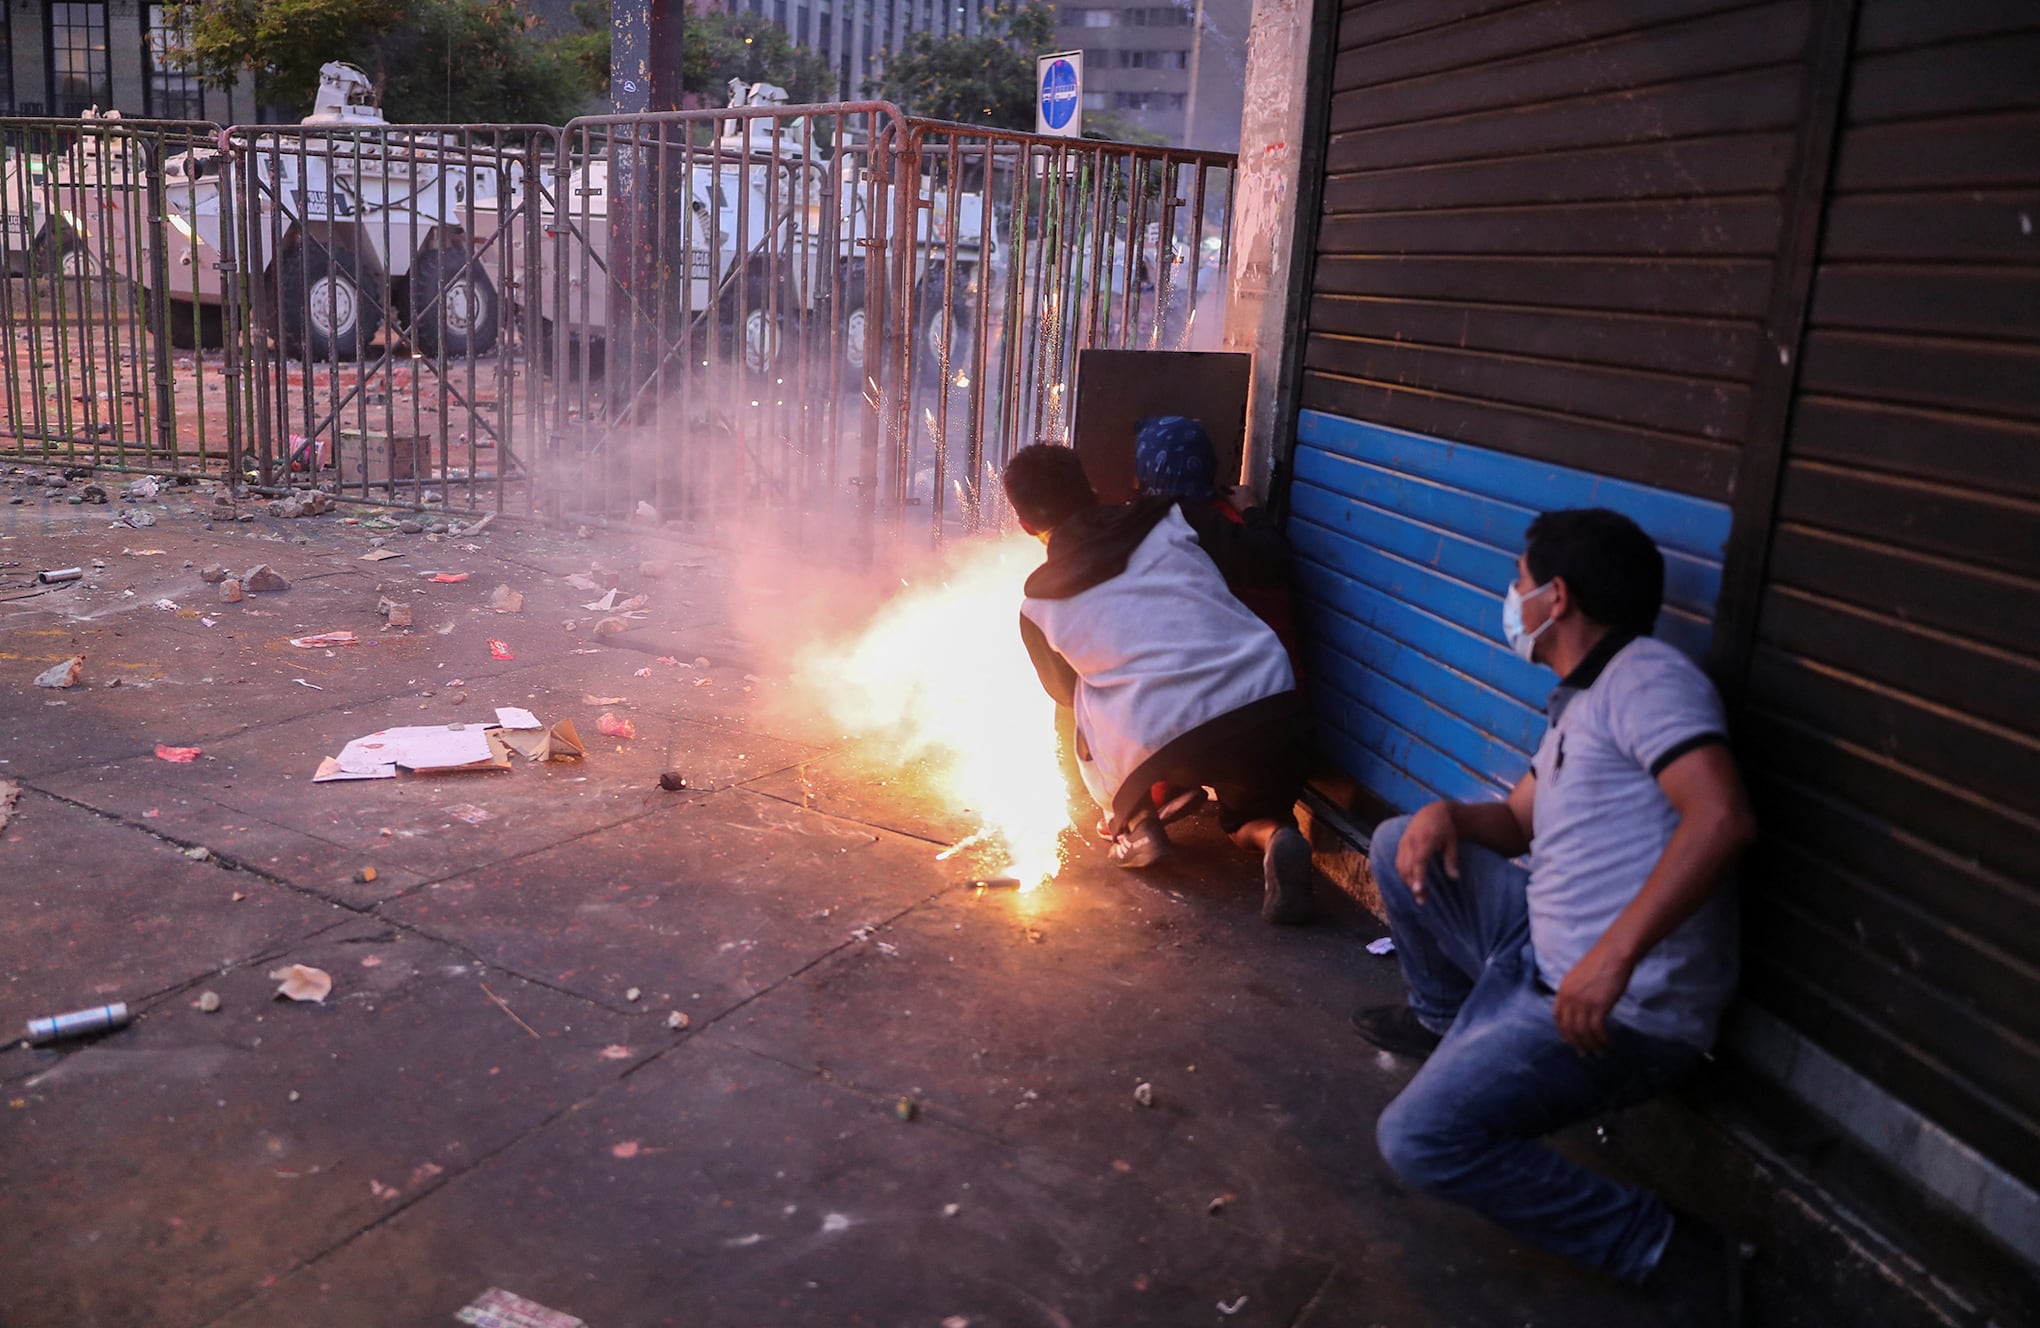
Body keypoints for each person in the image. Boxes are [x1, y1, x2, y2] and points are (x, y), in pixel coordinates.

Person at [1352, 507, 1757, 1324]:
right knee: (1399, 840)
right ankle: (1442, 1020)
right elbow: (1518, 824)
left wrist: (1611, 960)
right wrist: (1448, 815)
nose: (1512, 598)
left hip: (1624, 1010)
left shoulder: (1648, 679)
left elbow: (1722, 818)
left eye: (1519, 583)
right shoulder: (1582, 702)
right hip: (1533, 946)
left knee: (1419, 1140)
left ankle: (1666, 1246)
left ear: (1556, 597)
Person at [1003, 442, 1315, 924]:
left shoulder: (1037, 608)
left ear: (1025, 525)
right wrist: (1251, 511)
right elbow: (1267, 562)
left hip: (1166, 745)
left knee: (1081, 697)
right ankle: (1275, 837)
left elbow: (1065, 696)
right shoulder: (1172, 519)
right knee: (1248, 817)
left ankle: (1133, 821)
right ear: (1091, 490)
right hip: (1267, 705)